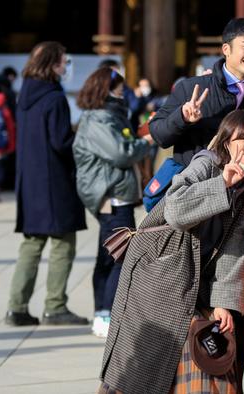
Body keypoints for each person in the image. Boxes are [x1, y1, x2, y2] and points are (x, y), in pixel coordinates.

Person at [99, 110, 244, 394]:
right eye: (243, 139)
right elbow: (175, 209)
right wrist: (221, 183)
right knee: (148, 361)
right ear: (226, 142)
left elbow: (234, 249)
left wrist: (223, 302)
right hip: (160, 268)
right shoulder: (205, 164)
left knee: (207, 355)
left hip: (196, 275)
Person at [6, 42, 88, 326]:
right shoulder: (54, 98)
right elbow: (61, 142)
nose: (65, 67)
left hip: (29, 180)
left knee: (31, 243)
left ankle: (16, 306)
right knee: (63, 243)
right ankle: (55, 305)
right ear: (52, 64)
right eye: (63, 62)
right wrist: (81, 139)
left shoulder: (24, 95)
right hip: (55, 182)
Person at [72, 67, 154, 337]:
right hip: (112, 196)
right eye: (118, 85)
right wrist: (147, 142)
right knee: (121, 256)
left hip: (114, 195)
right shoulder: (100, 119)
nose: (123, 89)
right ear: (106, 88)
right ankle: (107, 315)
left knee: (108, 255)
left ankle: (102, 315)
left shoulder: (107, 116)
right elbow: (121, 153)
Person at [149, 17, 244, 166]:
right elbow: (159, 135)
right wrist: (182, 117)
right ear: (226, 49)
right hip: (196, 183)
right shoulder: (192, 88)